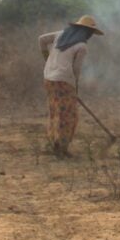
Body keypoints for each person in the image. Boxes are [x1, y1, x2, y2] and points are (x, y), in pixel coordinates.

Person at [38, 15, 104, 157]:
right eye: (90, 33)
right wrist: (75, 88)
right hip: (64, 81)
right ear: (87, 32)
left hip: (49, 78)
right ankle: (62, 148)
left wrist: (47, 59)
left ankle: (55, 144)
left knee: (55, 112)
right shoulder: (82, 46)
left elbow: (41, 40)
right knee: (69, 116)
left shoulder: (60, 35)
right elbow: (76, 70)